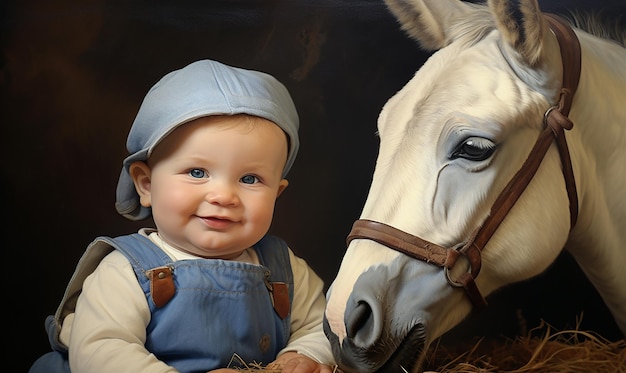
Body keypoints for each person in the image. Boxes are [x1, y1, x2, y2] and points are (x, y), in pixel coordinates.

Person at [30, 59, 336, 373]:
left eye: (250, 179)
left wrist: (302, 355)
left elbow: (323, 327)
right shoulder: (126, 272)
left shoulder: (285, 269)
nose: (224, 196)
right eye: (197, 172)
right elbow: (101, 352)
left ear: (277, 194)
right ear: (146, 184)